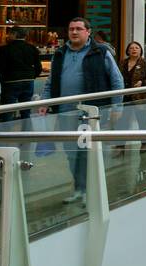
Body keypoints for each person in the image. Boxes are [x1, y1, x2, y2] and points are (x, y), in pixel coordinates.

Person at [45, 16, 125, 203]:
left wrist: (117, 106)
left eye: (78, 29)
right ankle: (79, 189)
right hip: (66, 114)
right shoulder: (59, 53)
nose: (74, 32)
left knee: (89, 152)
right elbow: (50, 82)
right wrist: (44, 102)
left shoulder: (101, 51)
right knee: (72, 153)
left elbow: (117, 80)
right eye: (71, 28)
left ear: (88, 32)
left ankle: (92, 188)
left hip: (90, 115)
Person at [0, 25, 41, 115]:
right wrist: (32, 76)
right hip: (28, 81)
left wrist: (2, 80)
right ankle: (26, 128)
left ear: (14, 34)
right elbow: (38, 67)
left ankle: (7, 128)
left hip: (10, 81)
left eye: (9, 33)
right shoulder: (32, 48)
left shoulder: (5, 49)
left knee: (8, 111)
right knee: (26, 111)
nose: (8, 36)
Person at [118, 41, 146, 136]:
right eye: (131, 48)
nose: (134, 50)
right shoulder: (122, 62)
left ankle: (144, 143)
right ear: (128, 51)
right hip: (125, 97)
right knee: (123, 122)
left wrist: (142, 83)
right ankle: (120, 145)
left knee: (142, 121)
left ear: (141, 51)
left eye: (136, 48)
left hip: (140, 97)